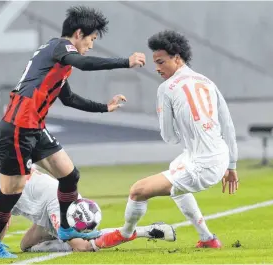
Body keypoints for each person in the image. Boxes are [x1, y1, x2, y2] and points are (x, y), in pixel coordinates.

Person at [0, 5, 146, 258]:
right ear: (78, 34)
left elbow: (68, 99)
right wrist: (125, 61)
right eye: (91, 40)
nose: (90, 46)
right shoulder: (61, 48)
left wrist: (105, 107)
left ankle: (66, 228)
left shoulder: (57, 61)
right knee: (12, 190)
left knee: (69, 175)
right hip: (17, 126)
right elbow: (85, 63)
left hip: (34, 127)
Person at [95, 30, 239, 249]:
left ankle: (126, 233)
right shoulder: (208, 82)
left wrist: (184, 128)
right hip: (217, 156)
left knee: (137, 191)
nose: (157, 68)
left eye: (161, 62)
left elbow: (169, 136)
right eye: (155, 62)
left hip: (201, 163)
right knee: (176, 171)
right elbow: (227, 124)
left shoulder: (166, 88)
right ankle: (208, 238)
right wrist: (231, 164)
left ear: (177, 58)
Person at [0, 153, 175, 256]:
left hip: (54, 203)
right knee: (27, 245)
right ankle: (68, 237)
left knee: (82, 247)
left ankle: (144, 231)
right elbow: (0, 222)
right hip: (47, 206)